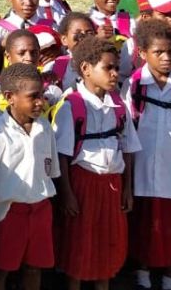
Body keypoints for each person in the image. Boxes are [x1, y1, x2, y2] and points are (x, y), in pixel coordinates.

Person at [52, 36, 140, 290]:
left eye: (116, 68)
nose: (115, 74)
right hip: (83, 185)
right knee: (80, 245)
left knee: (107, 244)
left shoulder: (119, 107)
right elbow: (63, 156)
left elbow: (128, 149)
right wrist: (67, 194)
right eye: (108, 68)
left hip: (112, 184)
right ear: (86, 70)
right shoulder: (72, 106)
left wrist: (127, 188)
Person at [122, 19, 171, 290]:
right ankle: (142, 274)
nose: (166, 58)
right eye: (158, 53)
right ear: (142, 53)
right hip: (142, 169)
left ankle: (169, 274)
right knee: (144, 224)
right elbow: (127, 131)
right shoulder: (135, 86)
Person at [0, 63, 58, 290]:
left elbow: (52, 171)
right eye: (33, 97)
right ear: (10, 97)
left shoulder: (44, 128)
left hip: (41, 208)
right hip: (10, 212)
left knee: (34, 267)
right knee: (2, 269)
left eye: (41, 95)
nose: (40, 102)